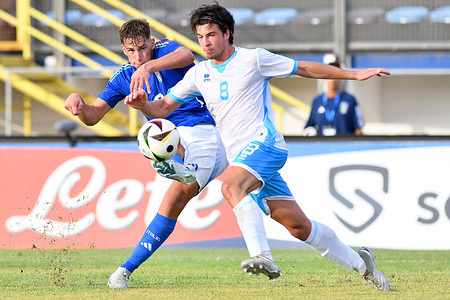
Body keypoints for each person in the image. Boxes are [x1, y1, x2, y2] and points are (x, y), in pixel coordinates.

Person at [124, 2, 393, 291]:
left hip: (265, 143)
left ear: (227, 34)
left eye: (211, 34)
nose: (206, 42)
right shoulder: (198, 74)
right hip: (243, 158)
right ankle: (364, 265)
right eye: (201, 37)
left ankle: (262, 256)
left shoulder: (253, 60)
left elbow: (303, 69)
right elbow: (163, 106)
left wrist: (353, 75)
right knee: (299, 227)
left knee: (230, 186)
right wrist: (145, 106)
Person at [64, 18, 281, 289]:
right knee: (169, 193)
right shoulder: (123, 77)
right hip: (179, 138)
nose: (138, 56)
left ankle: (176, 166)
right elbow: (93, 115)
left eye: (143, 48)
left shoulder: (165, 51)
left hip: (208, 133)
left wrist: (148, 67)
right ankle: (124, 271)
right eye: (131, 51)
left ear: (152, 43)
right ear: (123, 50)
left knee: (164, 156)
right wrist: (79, 105)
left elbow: (187, 55)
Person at [303, 61, 365, 136]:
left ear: (341, 78)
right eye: (329, 75)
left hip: (344, 145)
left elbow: (358, 128)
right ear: (323, 78)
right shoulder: (317, 101)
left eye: (336, 76)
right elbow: (308, 127)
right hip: (322, 146)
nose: (332, 79)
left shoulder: (350, 99)